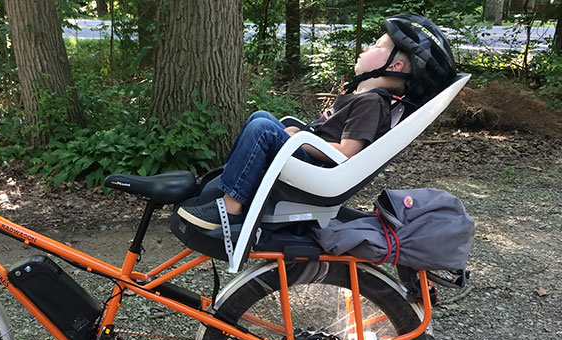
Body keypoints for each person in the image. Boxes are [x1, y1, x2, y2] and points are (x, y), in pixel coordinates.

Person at [177, 13, 456, 231]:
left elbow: (346, 152)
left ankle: (229, 210)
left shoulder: (371, 103)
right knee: (261, 118)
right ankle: (222, 191)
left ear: (394, 66)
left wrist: (299, 140)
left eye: (377, 45)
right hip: (312, 161)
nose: (366, 47)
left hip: (318, 171)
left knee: (263, 128)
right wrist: (299, 134)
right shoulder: (362, 98)